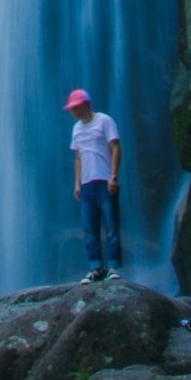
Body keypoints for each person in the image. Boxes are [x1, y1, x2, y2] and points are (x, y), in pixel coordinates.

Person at [65, 88, 122, 282]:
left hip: (105, 180)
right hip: (87, 183)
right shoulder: (77, 129)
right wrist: (76, 183)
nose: (72, 112)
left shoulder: (104, 121)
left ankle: (113, 267)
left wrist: (113, 176)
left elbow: (115, 148)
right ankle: (95, 267)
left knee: (111, 226)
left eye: (74, 108)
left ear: (84, 105)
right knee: (89, 229)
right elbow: (78, 156)